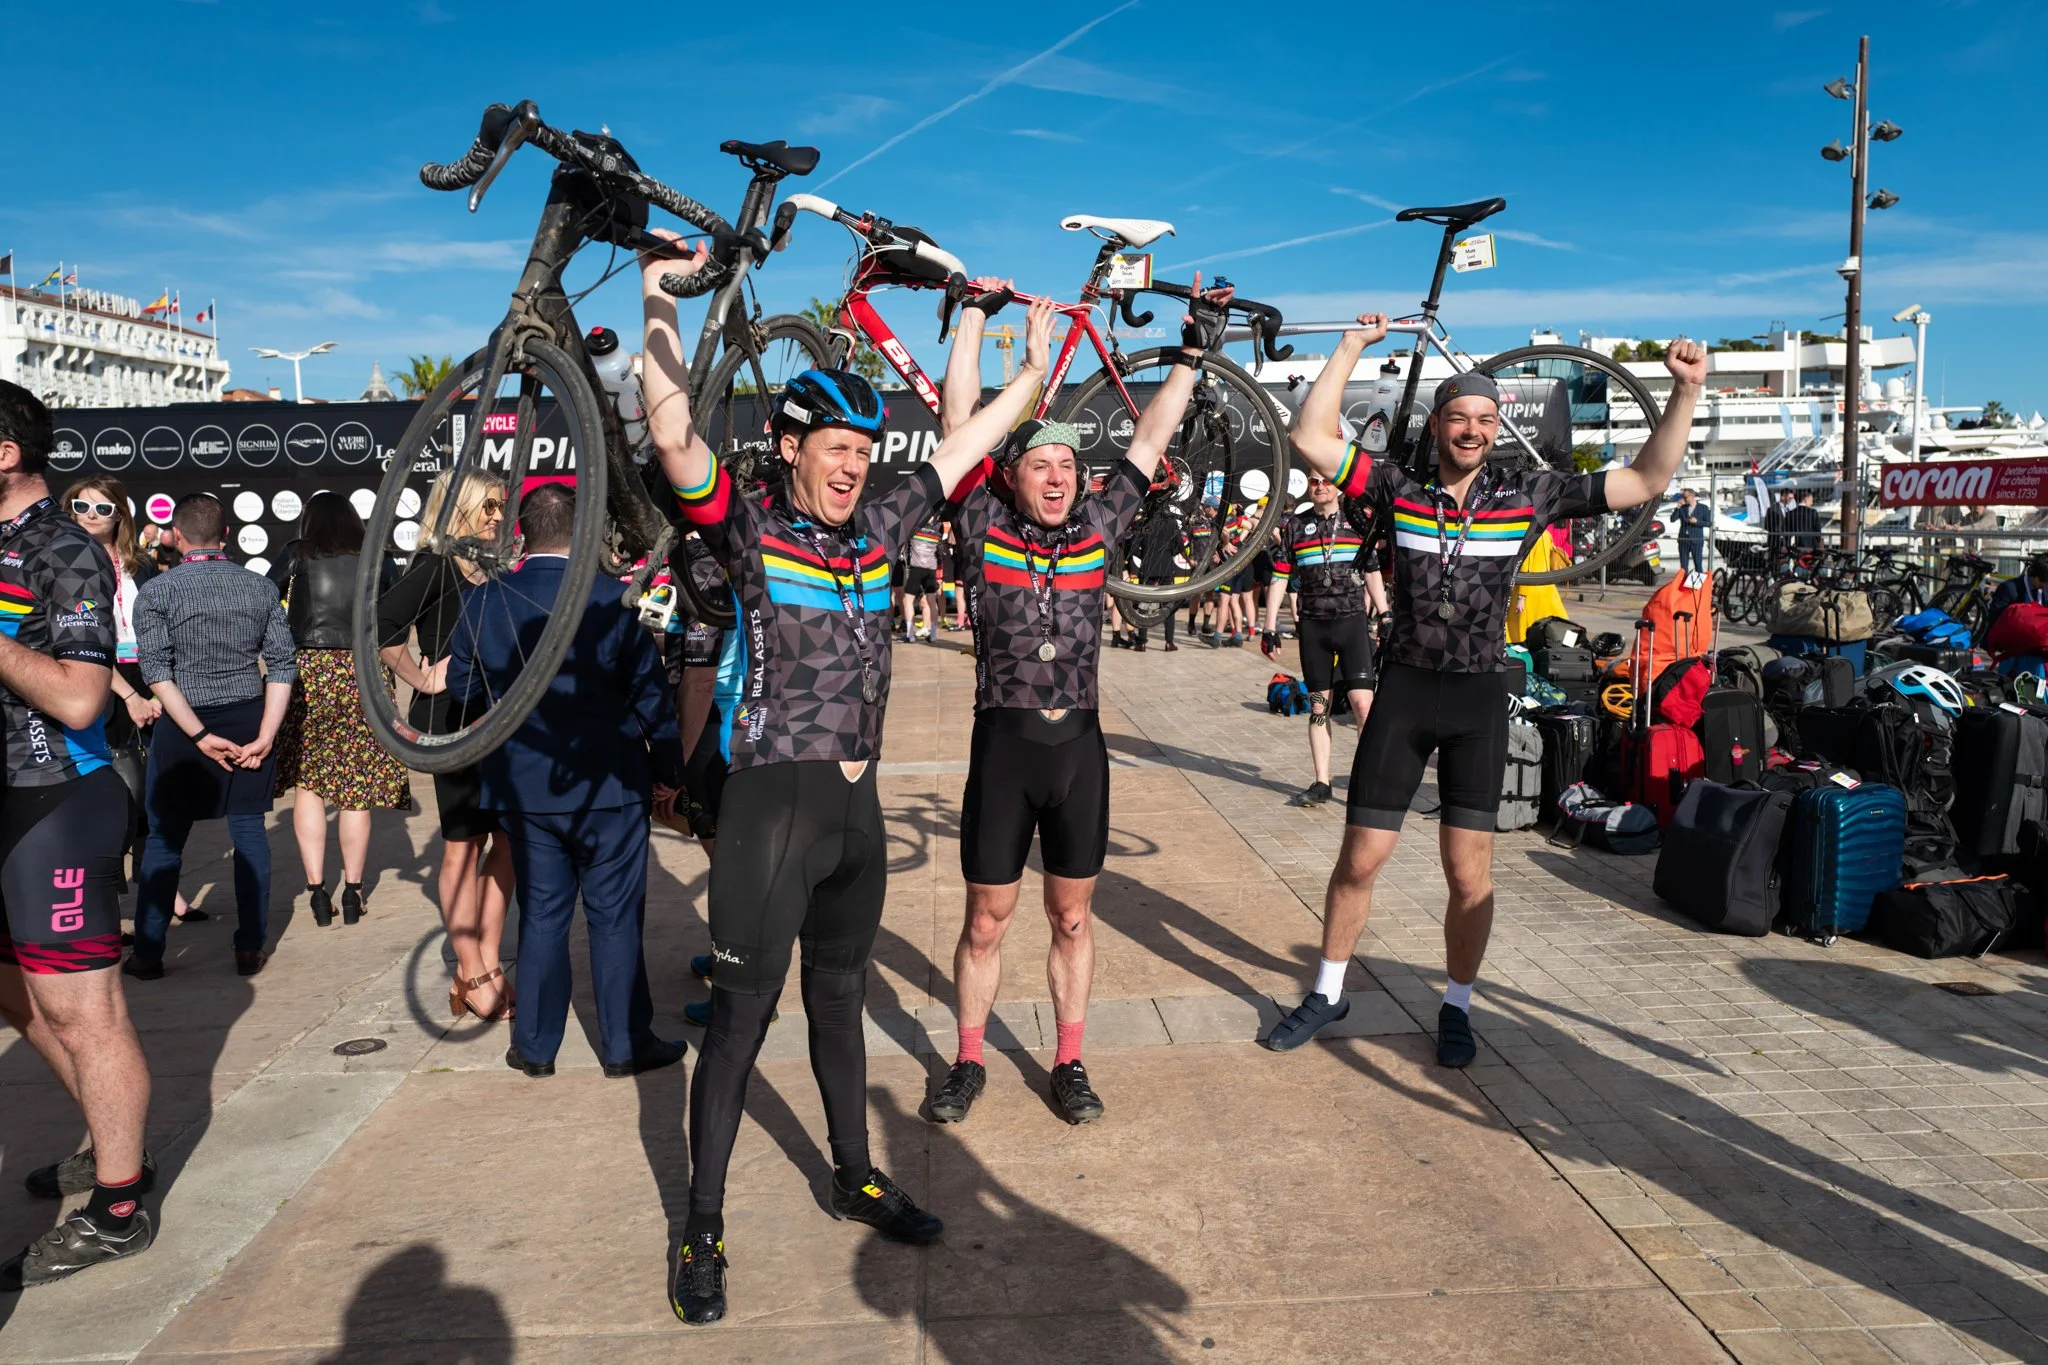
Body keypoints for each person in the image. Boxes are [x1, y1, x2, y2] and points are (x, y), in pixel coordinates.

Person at [643, 229, 1058, 1325]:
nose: (851, 462)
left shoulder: (879, 523)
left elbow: (963, 449)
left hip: (854, 816)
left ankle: (850, 1171)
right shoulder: (746, 528)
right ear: (788, 447)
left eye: (863, 447)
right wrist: (658, 306)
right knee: (736, 1027)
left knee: (837, 1005)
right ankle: (702, 1223)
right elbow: (674, 433)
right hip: (771, 805)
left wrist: (1026, 372)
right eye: (832, 443)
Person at [1265, 313, 1704, 1066]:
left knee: (1469, 874)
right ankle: (1328, 989)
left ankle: (1458, 1004)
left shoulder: (1527, 491)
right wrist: (1349, 348)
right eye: (1459, 417)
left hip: (1476, 698)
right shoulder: (1397, 486)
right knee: (1360, 859)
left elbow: (1646, 480)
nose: (1471, 430)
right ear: (1437, 423)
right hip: (1403, 690)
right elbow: (1311, 437)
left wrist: (1684, 392)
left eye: (1485, 419)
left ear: (1498, 429)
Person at [924, 273, 1236, 1128]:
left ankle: (1069, 1059)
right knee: (987, 921)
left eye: (1067, 464)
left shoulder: (1101, 524)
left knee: (1071, 917)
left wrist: (1191, 352)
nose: (1057, 476)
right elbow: (959, 427)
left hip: (1079, 753)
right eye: (1040, 463)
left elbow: (1153, 432)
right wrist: (975, 322)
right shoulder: (981, 524)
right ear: (1014, 476)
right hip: (1003, 744)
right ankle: (968, 1058)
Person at [444, 483, 685, 1080]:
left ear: (520, 533)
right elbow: (652, 698)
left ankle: (535, 1045)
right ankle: (625, 1043)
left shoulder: (487, 599)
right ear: (581, 535)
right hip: (610, 786)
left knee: (544, 914)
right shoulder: (615, 600)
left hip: (525, 789)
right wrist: (669, 774)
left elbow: (463, 691)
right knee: (614, 915)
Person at [0, 381, 156, 1288]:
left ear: (7, 452)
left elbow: (78, 696)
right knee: (19, 998)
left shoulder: (66, 548)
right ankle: (109, 1138)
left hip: (57, 798)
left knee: (81, 1012)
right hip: (10, 804)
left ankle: (120, 1204)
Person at [129, 494, 295, 980]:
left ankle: (149, 952)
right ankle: (249, 947)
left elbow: (157, 674)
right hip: (247, 719)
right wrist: (267, 733)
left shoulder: (157, 593)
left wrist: (198, 735)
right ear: (226, 536)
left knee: (166, 840)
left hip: (184, 727)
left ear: (176, 537)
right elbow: (283, 664)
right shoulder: (260, 587)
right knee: (248, 834)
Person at [376, 472, 516, 1020]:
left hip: (500, 719)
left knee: (507, 842)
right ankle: (472, 968)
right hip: (453, 721)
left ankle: (485, 959)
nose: (498, 516)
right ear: (458, 508)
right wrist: (418, 676)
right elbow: (382, 624)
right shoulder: (436, 566)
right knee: (463, 843)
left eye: (502, 506)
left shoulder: (495, 568)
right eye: (487, 507)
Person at [268, 493, 413, 929]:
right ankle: (352, 892)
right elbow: (395, 618)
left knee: (308, 786)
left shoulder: (296, 554)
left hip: (308, 672)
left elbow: (264, 600)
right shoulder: (379, 558)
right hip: (364, 674)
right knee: (357, 790)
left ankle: (316, 891)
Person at [61, 479, 192, 919]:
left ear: (120, 514)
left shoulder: (141, 566)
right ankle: (107, 904)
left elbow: (160, 630)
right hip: (95, 679)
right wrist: (132, 695)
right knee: (110, 792)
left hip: (145, 677)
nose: (90, 515)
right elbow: (78, 644)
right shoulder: (64, 565)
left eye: (102, 508)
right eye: (81, 506)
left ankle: (159, 886)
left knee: (153, 787)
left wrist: (157, 686)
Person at [1259, 477, 1387, 807]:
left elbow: (1372, 570)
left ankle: (1368, 782)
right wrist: (1269, 626)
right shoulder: (1295, 525)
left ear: (1339, 487)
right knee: (1319, 707)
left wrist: (1384, 613)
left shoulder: (1358, 522)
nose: (1320, 486)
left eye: (1326, 481)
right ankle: (1321, 782)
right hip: (1314, 627)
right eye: (1314, 481)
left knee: (1363, 706)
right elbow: (1280, 577)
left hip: (1352, 622)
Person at [900, 510, 944, 642]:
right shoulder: (937, 531)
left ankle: (910, 635)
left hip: (916, 569)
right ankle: (934, 634)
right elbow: (940, 553)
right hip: (931, 569)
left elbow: (906, 545)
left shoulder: (915, 529)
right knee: (932, 601)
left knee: (908, 601)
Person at [1985, 554, 2048, 635]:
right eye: (2043, 581)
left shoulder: (2045, 589)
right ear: (2035, 576)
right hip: (2012, 637)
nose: (2045, 585)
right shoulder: (2009, 588)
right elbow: (1995, 618)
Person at [1673, 487, 1712, 575]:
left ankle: (1698, 586)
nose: (1683, 499)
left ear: (1692, 496)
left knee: (1698, 564)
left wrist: (1697, 521)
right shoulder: (1682, 508)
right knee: (1683, 566)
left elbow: (1709, 523)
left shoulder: (1703, 508)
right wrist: (1678, 507)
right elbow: (1672, 519)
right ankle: (1683, 586)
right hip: (1683, 540)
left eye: (1685, 497)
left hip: (1696, 540)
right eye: (1683, 497)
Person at [1788, 490, 1823, 554]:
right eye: (1811, 500)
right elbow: (1818, 532)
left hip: (1796, 548)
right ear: (1806, 499)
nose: (1812, 503)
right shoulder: (1813, 512)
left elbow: (1787, 532)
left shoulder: (1790, 513)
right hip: (1812, 547)